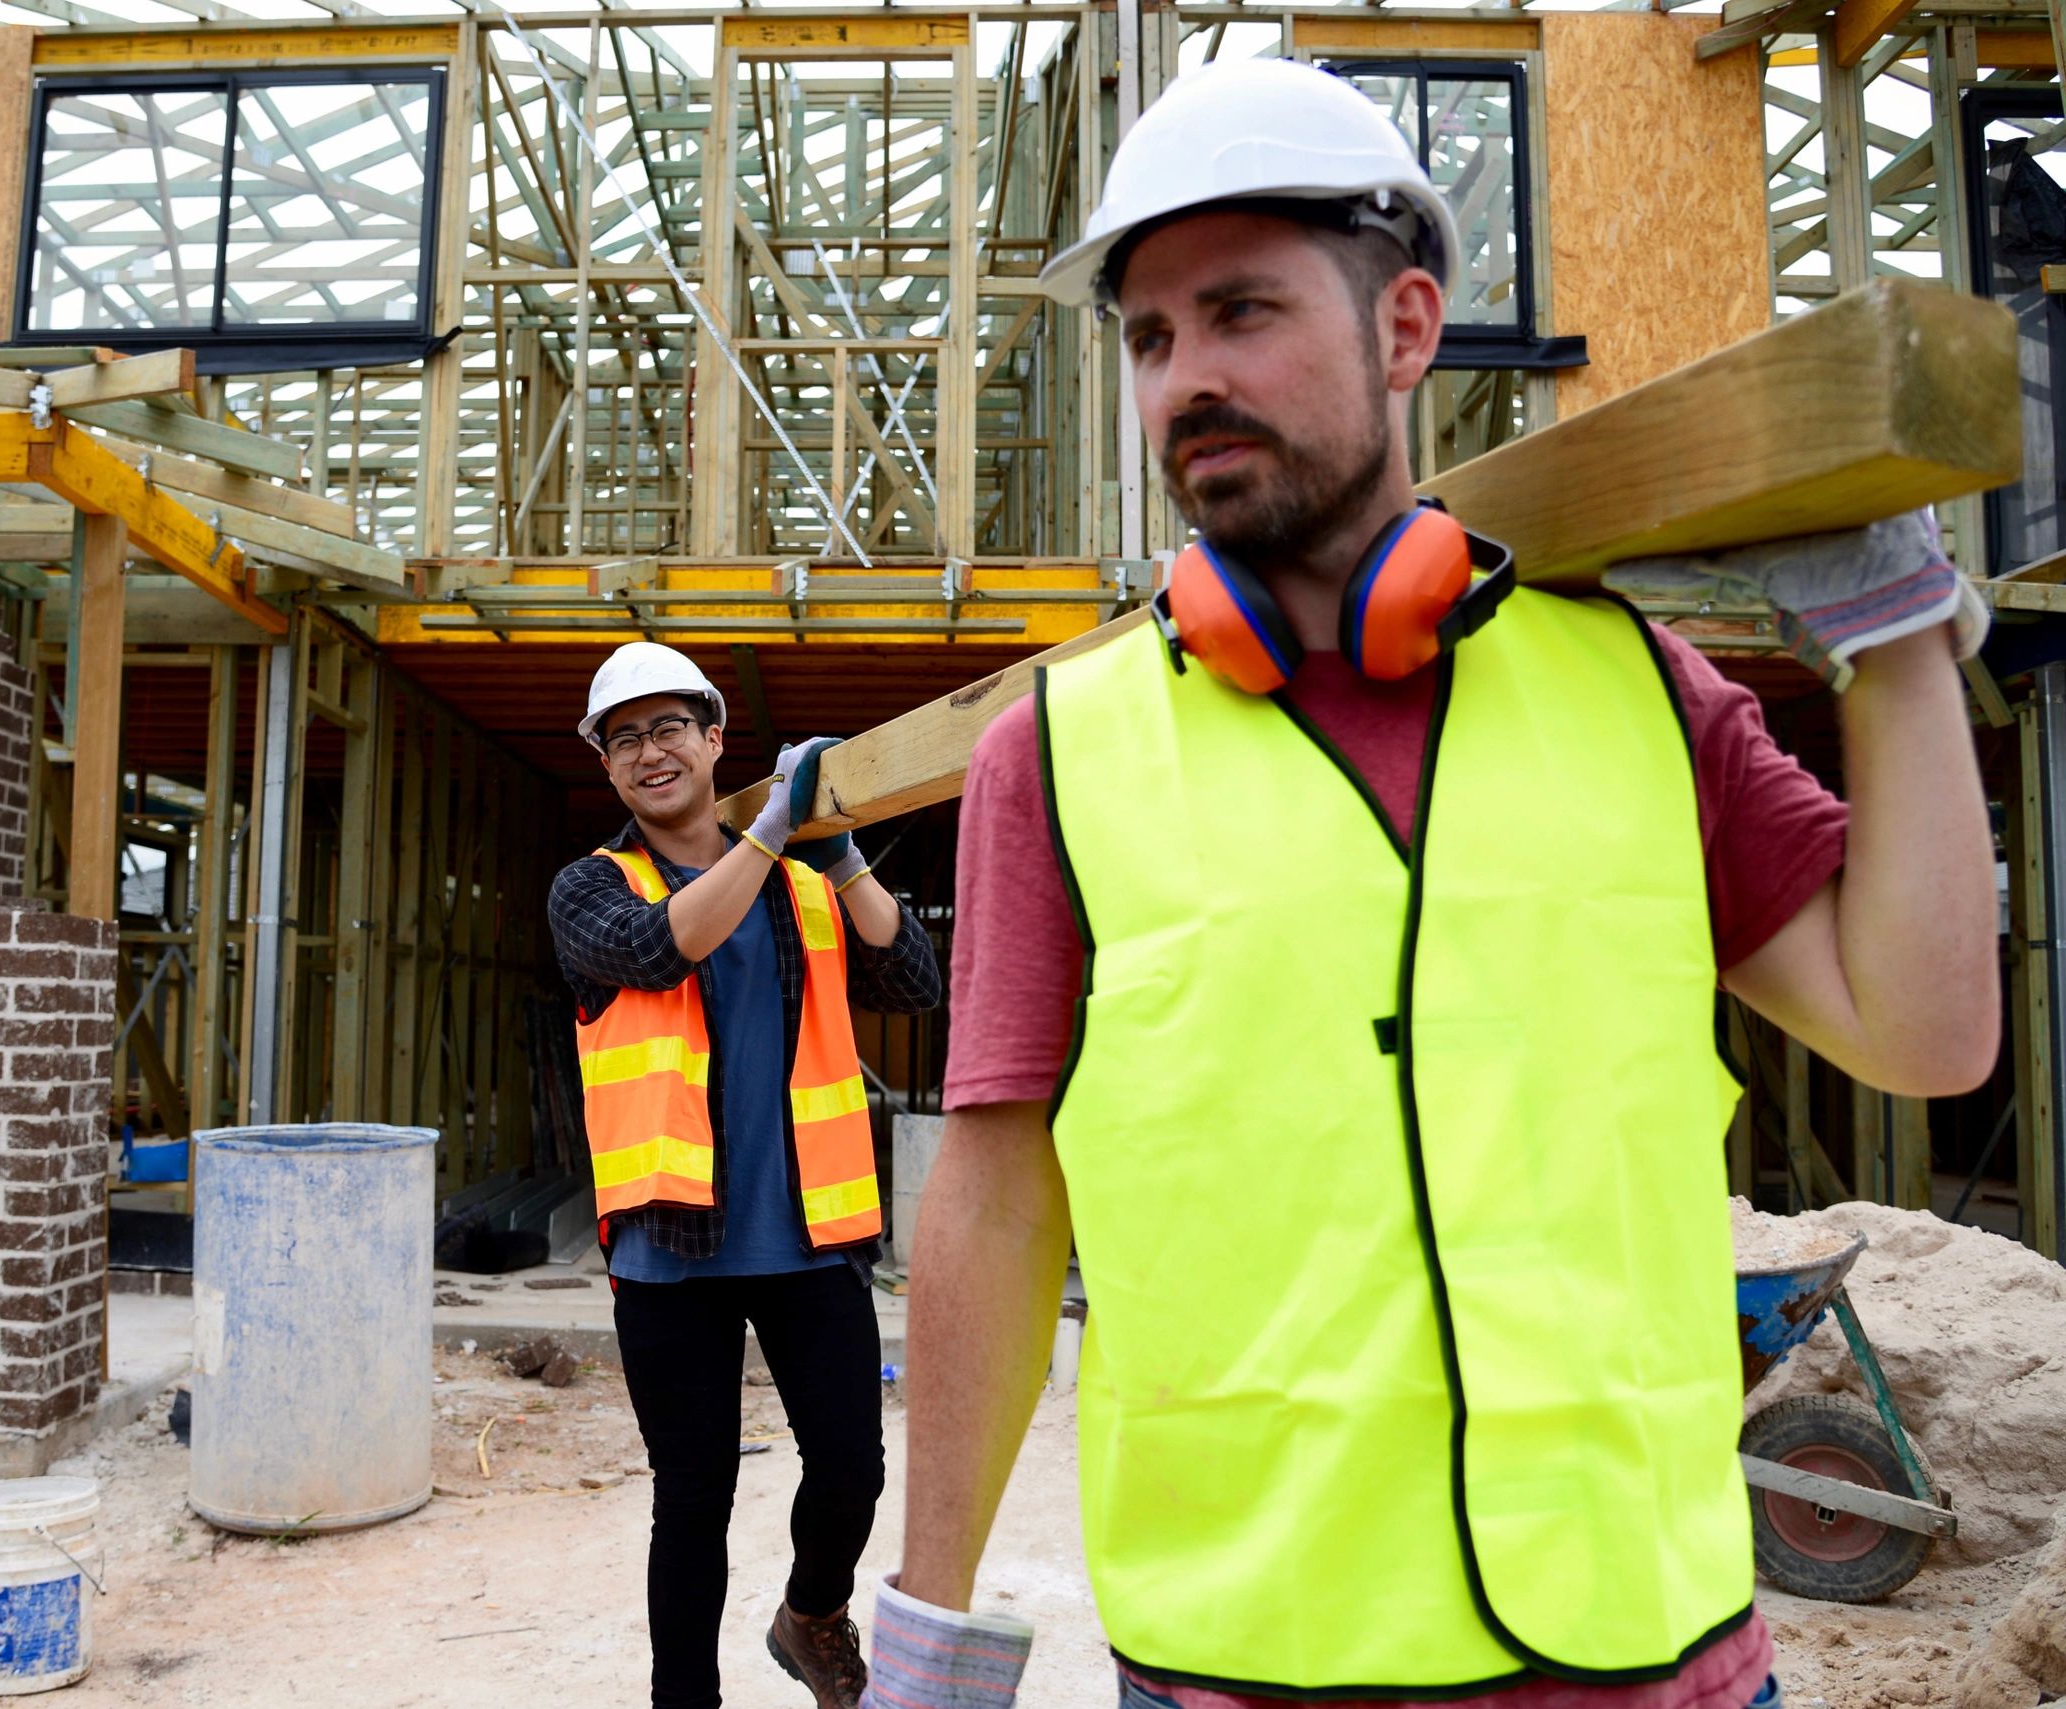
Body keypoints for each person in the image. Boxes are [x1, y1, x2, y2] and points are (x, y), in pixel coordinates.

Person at [863, 57, 2000, 1709]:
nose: (1189, 376)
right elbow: (996, 1192)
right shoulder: (1059, 751)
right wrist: (931, 1619)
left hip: (1650, 1646)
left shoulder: (1636, 692)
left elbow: (1926, 1029)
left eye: (1243, 311)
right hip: (1249, 1661)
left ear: (1407, 328)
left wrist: (1894, 631)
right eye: (1153, 336)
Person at [548, 641, 942, 1709]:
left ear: (714, 737)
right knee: (692, 1499)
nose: (649, 749)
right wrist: (769, 831)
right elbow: (659, 950)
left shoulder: (806, 888)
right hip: (669, 1248)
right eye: (622, 736)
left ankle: (811, 1611)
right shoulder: (591, 886)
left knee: (852, 1468)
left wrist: (845, 852)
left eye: (669, 725)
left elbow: (914, 981)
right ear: (606, 765)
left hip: (808, 1233)